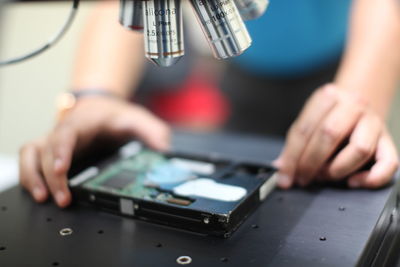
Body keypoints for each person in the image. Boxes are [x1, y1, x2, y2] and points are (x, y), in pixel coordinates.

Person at [19, 0, 400, 208]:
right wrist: (93, 97)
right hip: (246, 72)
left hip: (340, 64)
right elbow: (121, 8)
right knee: (255, 199)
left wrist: (358, 94)